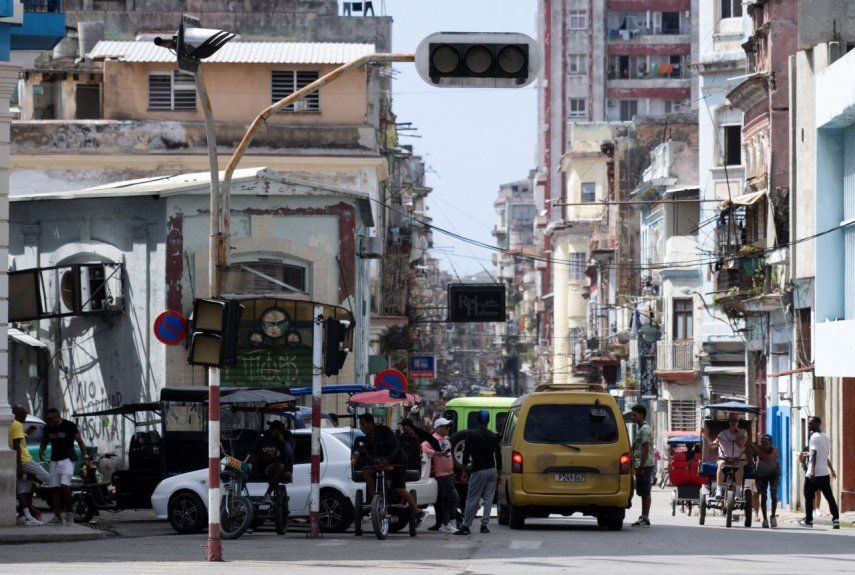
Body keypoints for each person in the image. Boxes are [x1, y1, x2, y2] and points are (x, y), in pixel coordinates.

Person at [351, 413, 425, 524]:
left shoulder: (384, 431)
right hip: (380, 464)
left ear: (370, 423)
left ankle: (417, 511)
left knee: (398, 488)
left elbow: (396, 446)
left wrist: (389, 459)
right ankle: (374, 500)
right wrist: (357, 454)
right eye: (361, 425)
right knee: (366, 471)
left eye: (363, 424)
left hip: (397, 462)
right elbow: (364, 449)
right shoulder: (367, 438)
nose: (362, 427)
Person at [455, 409, 501, 536]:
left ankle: (466, 525)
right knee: (488, 499)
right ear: (488, 422)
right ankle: (484, 525)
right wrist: (500, 473)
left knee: (473, 498)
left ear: (477, 420)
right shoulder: (493, 436)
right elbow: (498, 455)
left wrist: (464, 470)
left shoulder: (471, 434)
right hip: (492, 470)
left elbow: (466, 452)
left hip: (478, 470)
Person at [39, 407, 87, 525]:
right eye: (47, 419)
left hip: (68, 459)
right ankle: (57, 517)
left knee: (64, 486)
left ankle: (70, 515)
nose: (49, 421)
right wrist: (42, 449)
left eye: (51, 419)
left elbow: (80, 441)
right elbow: (44, 440)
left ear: (57, 416)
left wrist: (86, 458)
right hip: (55, 460)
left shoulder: (69, 426)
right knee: (54, 488)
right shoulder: (48, 428)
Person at [9, 405, 49, 526]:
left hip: (16, 460)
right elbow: (17, 447)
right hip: (24, 460)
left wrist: (26, 433)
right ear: (16, 414)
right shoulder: (17, 424)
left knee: (21, 490)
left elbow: (16, 441)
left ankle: (28, 517)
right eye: (24, 415)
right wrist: (20, 467)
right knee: (47, 477)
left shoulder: (9, 424)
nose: (25, 417)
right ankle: (26, 476)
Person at [800, 416, 840, 529]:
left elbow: (814, 454)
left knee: (808, 496)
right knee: (829, 496)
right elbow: (825, 454)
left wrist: (812, 471)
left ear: (818, 423)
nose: (808, 425)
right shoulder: (826, 437)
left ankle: (809, 520)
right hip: (824, 473)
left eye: (811, 423)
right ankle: (836, 519)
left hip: (814, 474)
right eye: (808, 423)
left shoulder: (814, 437)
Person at [422, 417, 458, 533]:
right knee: (452, 498)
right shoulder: (433, 439)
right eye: (444, 427)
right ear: (437, 428)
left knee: (446, 500)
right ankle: (446, 523)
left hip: (450, 474)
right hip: (442, 475)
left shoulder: (445, 439)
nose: (447, 429)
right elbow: (423, 446)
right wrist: (435, 453)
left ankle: (448, 523)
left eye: (448, 426)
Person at [249, 420, 294, 498]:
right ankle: (275, 489)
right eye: (270, 428)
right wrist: (251, 464)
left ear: (279, 431)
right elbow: (253, 453)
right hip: (262, 466)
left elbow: (289, 453)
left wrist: (281, 441)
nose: (270, 430)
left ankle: (268, 494)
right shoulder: (262, 439)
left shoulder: (283, 441)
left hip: (277, 467)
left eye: (273, 429)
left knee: (280, 467)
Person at [711, 412, 748, 499]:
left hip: (738, 459)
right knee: (721, 464)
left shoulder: (743, 432)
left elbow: (741, 444)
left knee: (739, 466)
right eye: (731, 420)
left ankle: (738, 492)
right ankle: (719, 490)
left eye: (735, 421)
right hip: (725, 458)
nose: (733, 423)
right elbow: (713, 444)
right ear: (728, 422)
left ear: (738, 421)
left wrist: (736, 434)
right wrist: (713, 442)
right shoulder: (723, 433)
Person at [630, 404, 655, 527]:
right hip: (642, 464)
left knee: (645, 492)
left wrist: (641, 467)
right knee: (643, 491)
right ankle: (644, 516)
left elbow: (645, 449)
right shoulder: (641, 429)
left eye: (635, 415)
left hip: (645, 465)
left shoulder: (645, 429)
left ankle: (645, 517)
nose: (633, 417)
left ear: (641, 415)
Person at [753, 434, 780, 528]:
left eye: (766, 443)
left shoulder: (774, 451)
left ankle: (773, 516)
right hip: (761, 474)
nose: (764, 445)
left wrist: (758, 451)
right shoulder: (758, 449)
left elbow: (769, 459)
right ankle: (765, 519)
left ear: (770, 444)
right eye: (763, 443)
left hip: (774, 473)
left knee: (773, 493)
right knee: (763, 495)